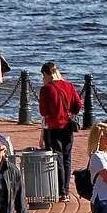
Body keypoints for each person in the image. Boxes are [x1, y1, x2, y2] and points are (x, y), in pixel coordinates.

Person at [38, 62, 83, 204]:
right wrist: (72, 114)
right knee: (67, 158)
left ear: (46, 74)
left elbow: (43, 112)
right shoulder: (69, 85)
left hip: (53, 127)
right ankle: (66, 191)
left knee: (57, 157)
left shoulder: (46, 89)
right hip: (68, 127)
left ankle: (61, 192)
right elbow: (78, 104)